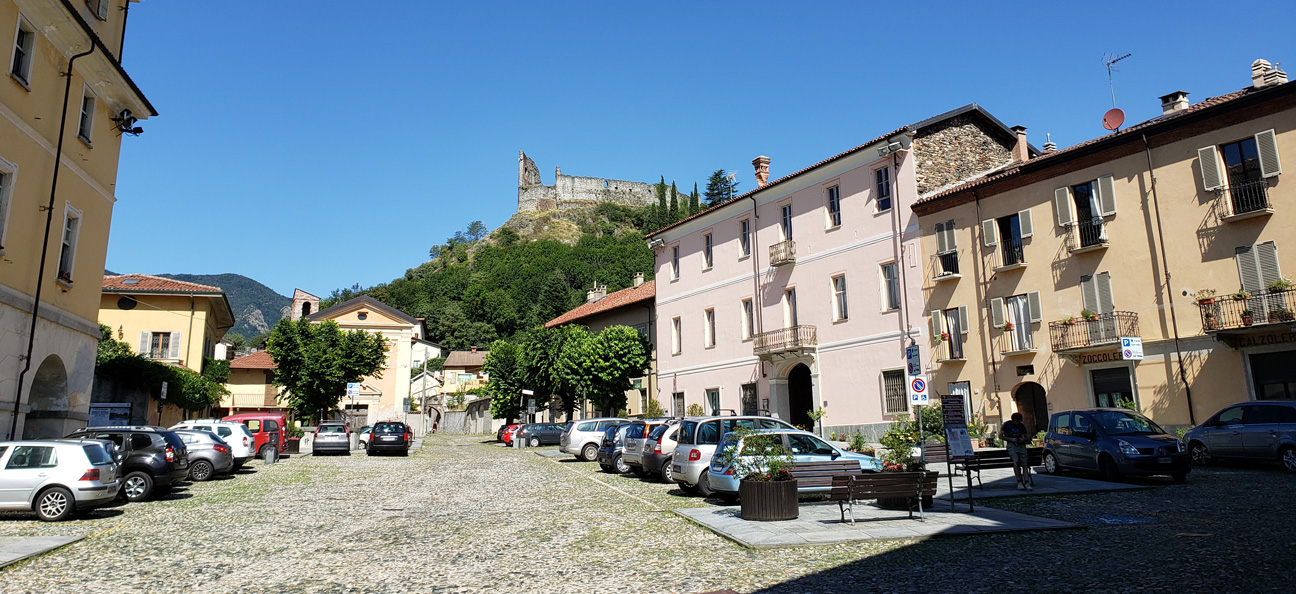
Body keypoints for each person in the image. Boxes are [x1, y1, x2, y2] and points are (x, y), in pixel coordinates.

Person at [1001, 412, 1033, 491]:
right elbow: (1000, 436)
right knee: (1016, 462)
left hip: (1021, 445)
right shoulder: (1007, 425)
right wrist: (1011, 439)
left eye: (1018, 420)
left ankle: (1026, 482)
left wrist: (1023, 439)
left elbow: (1026, 436)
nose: (1017, 422)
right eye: (1016, 420)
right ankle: (1019, 481)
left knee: (1024, 463)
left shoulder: (1021, 426)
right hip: (1012, 445)